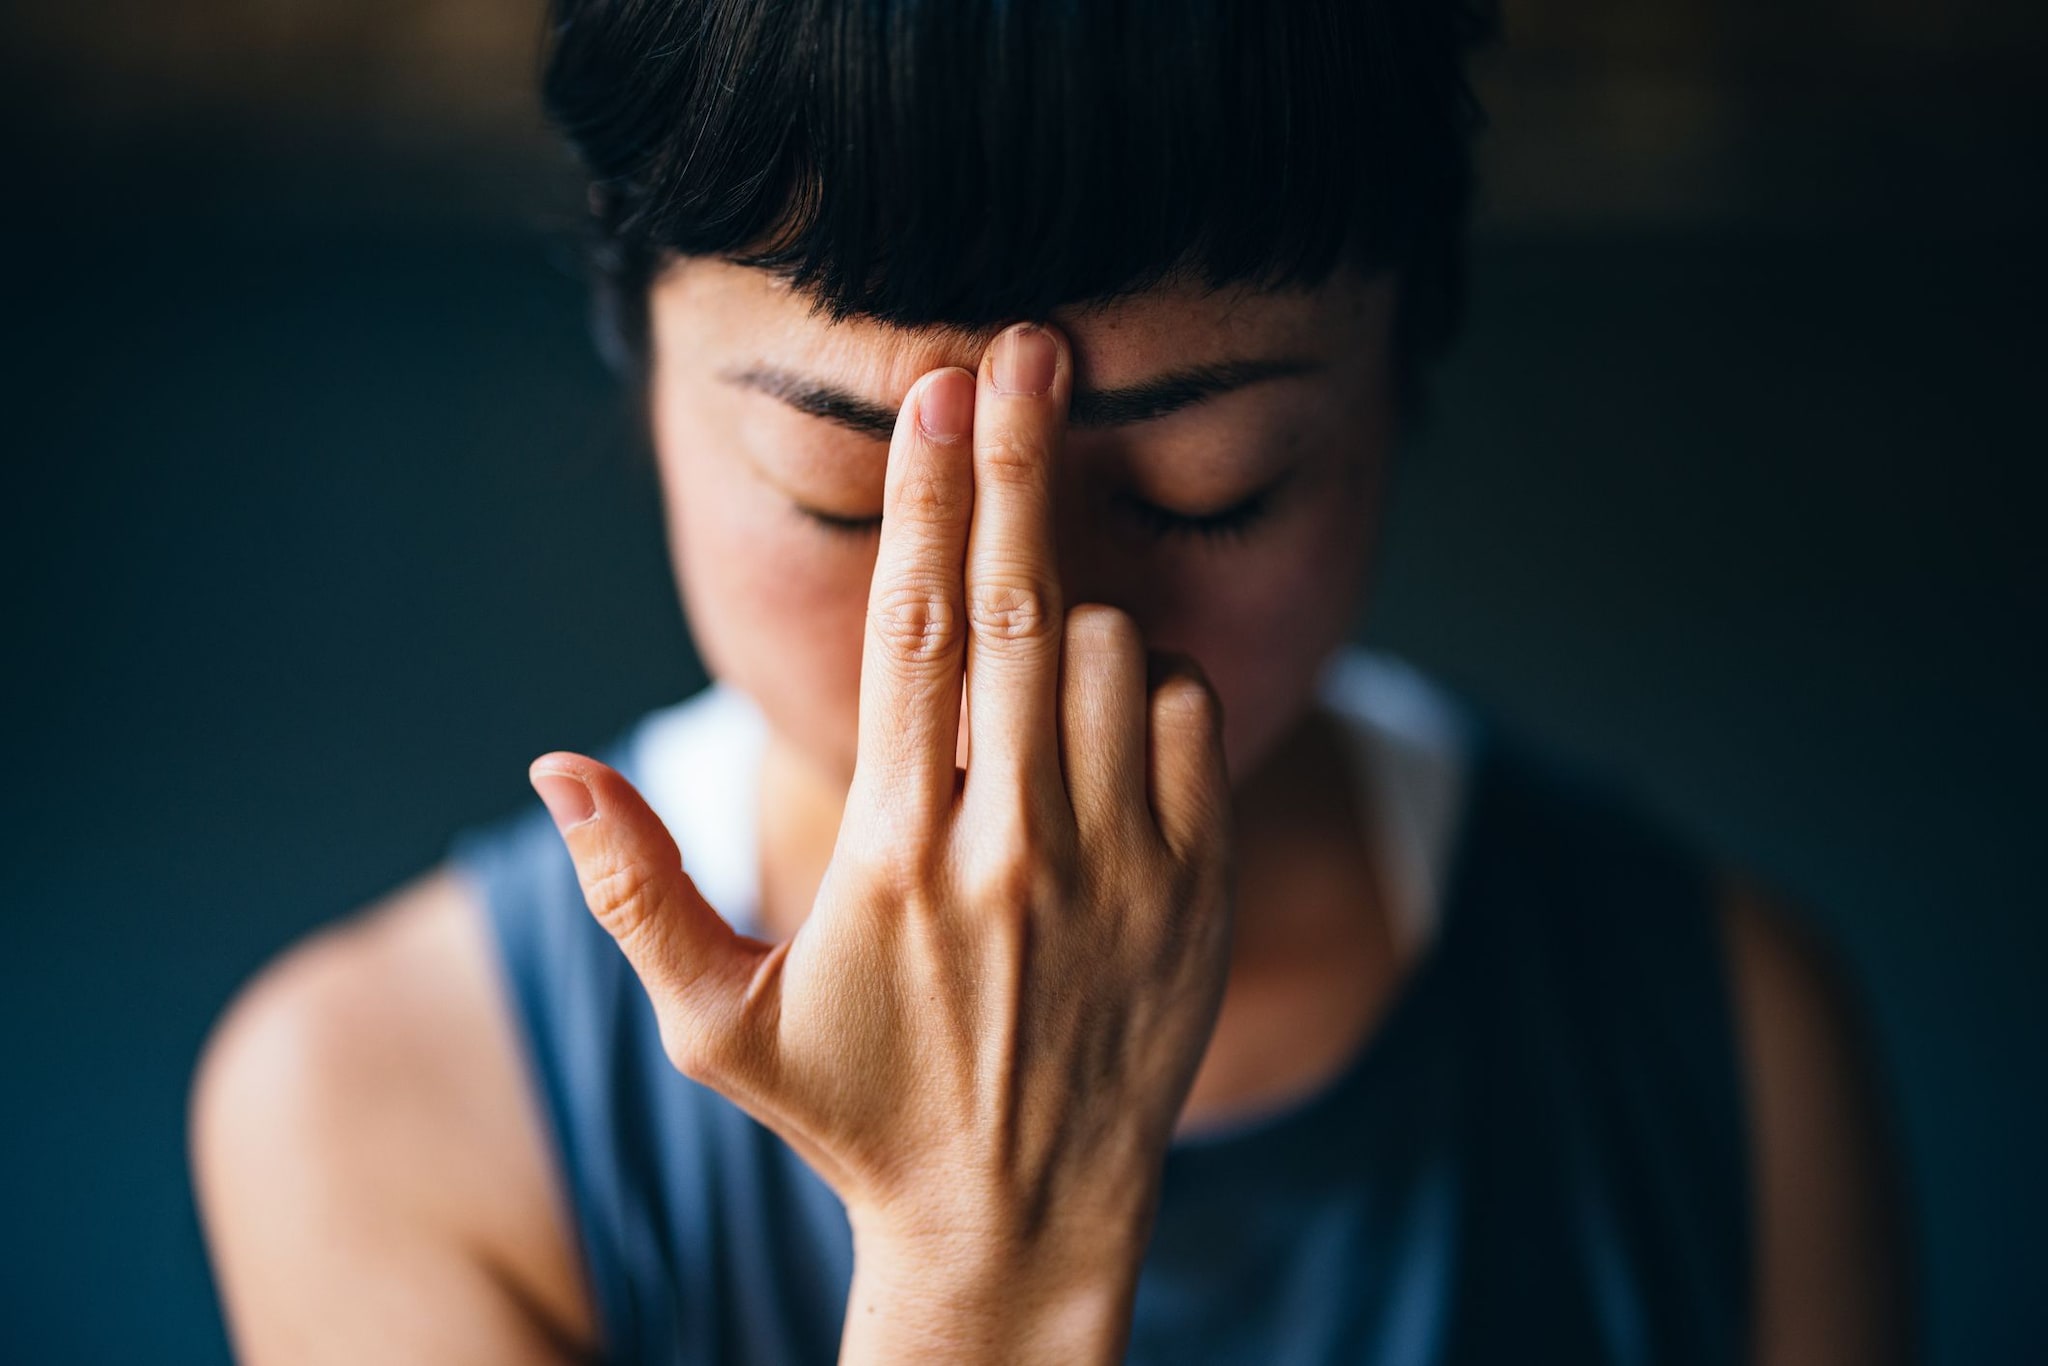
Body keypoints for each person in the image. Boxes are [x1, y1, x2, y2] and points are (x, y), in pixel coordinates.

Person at [187, 0, 1914, 1361]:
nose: (1034, 624)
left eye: (1207, 486)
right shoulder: (385, 1112)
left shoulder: (1727, 1048)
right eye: (854, 495)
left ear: (1401, 382)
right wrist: (981, 1267)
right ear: (637, 364)